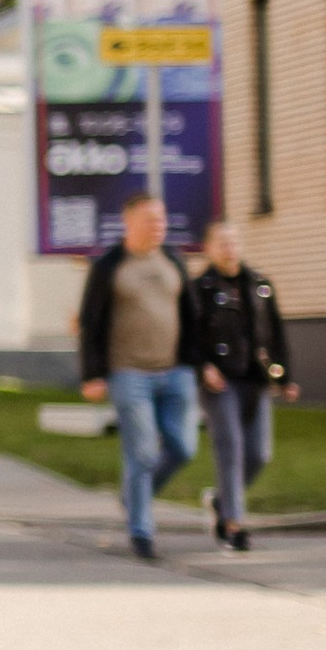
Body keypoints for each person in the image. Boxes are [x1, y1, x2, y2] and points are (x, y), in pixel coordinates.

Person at [78, 190, 201, 564]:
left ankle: (134, 498)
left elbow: (192, 317)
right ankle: (142, 531)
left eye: (162, 219)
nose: (159, 226)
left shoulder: (173, 262)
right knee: (143, 451)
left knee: (183, 447)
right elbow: (90, 322)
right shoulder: (109, 265)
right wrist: (92, 374)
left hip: (175, 370)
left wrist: (201, 362)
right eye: (150, 220)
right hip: (128, 373)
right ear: (129, 222)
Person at [189, 216, 289, 550]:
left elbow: (274, 331)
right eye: (222, 243)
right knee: (230, 445)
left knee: (259, 453)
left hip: (255, 379)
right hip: (220, 382)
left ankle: (221, 501)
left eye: (233, 242)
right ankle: (234, 525)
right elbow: (190, 336)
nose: (229, 249)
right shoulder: (200, 289)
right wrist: (203, 366)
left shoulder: (258, 284)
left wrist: (285, 374)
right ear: (209, 249)